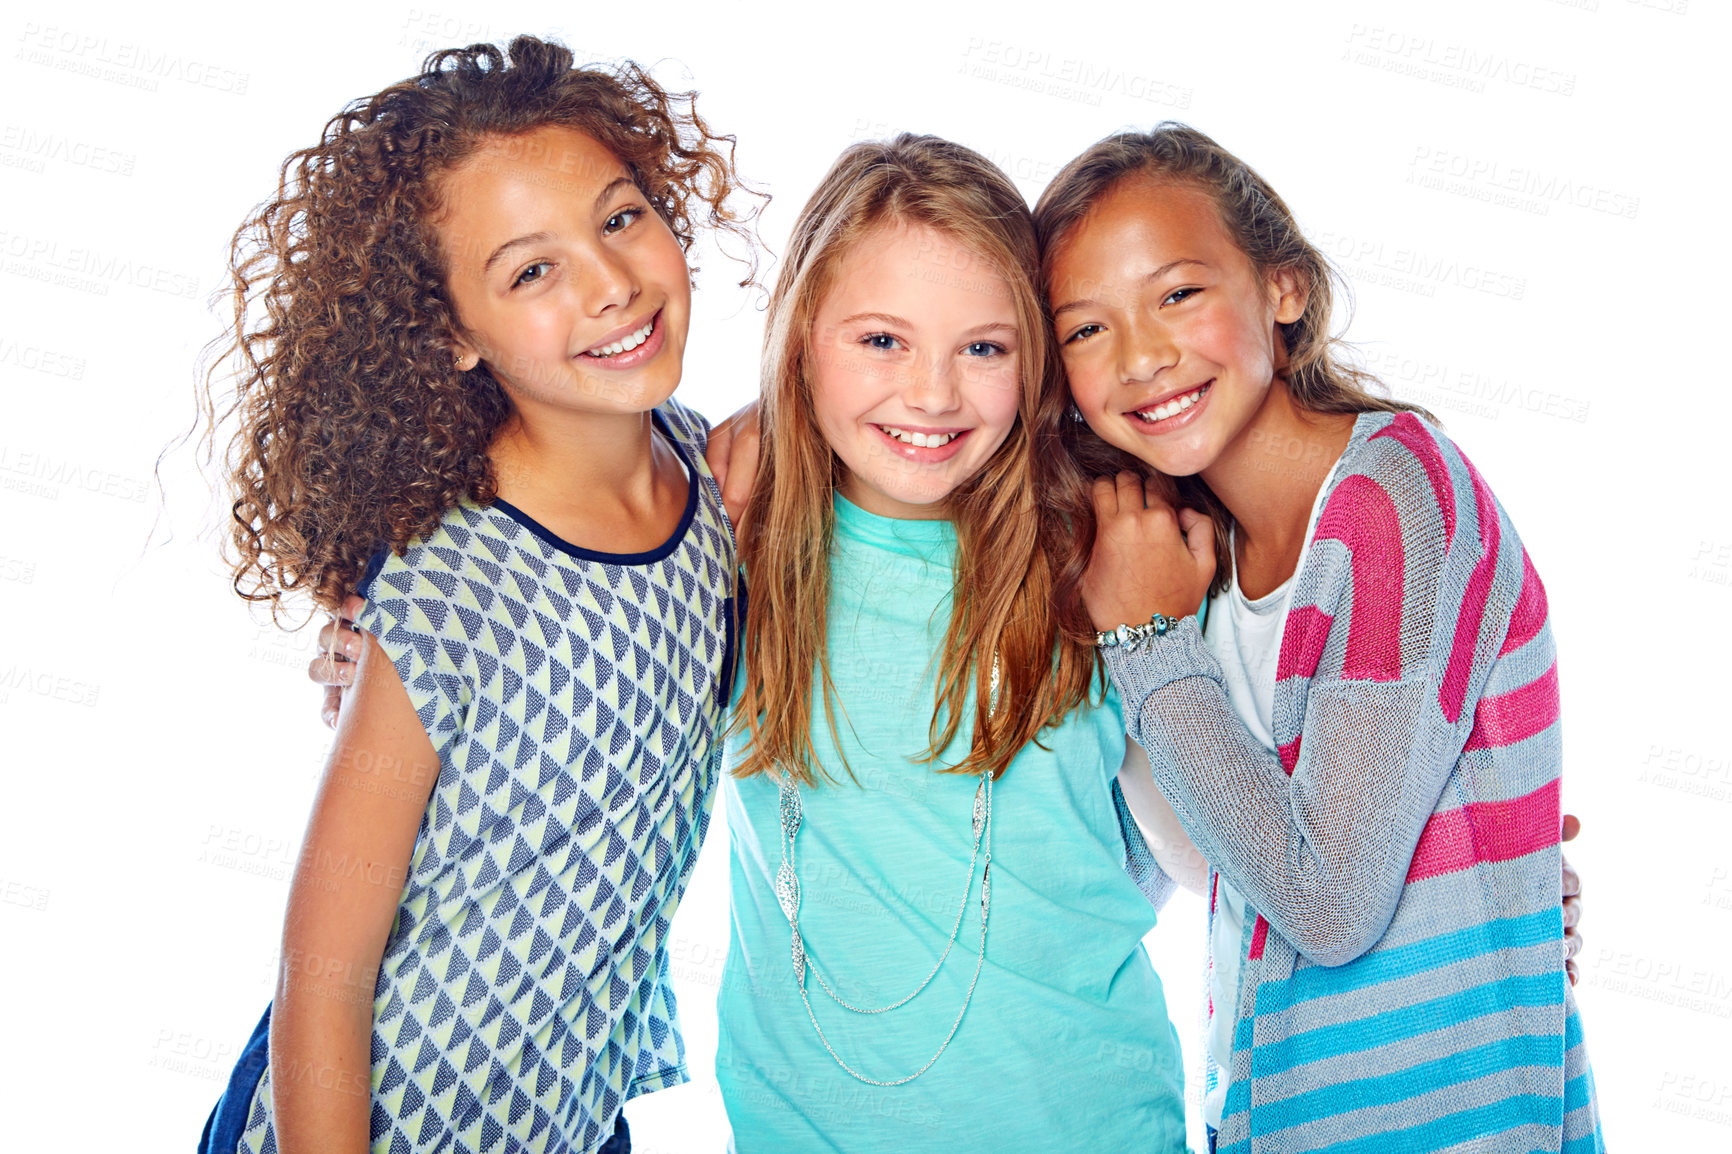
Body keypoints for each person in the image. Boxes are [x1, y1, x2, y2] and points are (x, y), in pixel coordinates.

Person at [197, 36, 760, 1154]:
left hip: (569, 1115)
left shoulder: (725, 481)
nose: (610, 284)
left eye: (620, 217)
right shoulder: (441, 587)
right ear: (449, 331)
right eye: (530, 270)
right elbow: (325, 965)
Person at [1035, 123, 1603, 1153]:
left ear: (1282, 288)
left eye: (1175, 294)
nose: (1142, 355)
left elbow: (1330, 901)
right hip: (1273, 1115)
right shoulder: (1176, 556)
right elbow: (1205, 862)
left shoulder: (1395, 502)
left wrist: (1149, 644)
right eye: (1085, 329)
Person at [714, 134, 1187, 1152]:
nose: (931, 395)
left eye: (983, 348)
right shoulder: (730, 535)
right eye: (881, 340)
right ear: (800, 339)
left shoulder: (1104, 553)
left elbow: (1215, 852)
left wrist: (1451, 879)